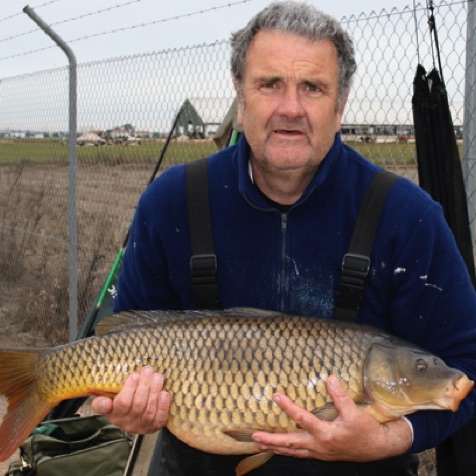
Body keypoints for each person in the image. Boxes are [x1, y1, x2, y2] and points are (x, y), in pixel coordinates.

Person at [91, 2, 476, 475]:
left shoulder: (407, 217)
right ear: (240, 95)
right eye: (270, 84)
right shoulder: (170, 203)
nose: (290, 108)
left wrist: (389, 438)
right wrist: (131, 409)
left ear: (341, 104)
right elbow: (125, 337)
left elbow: (466, 363)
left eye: (312, 88)